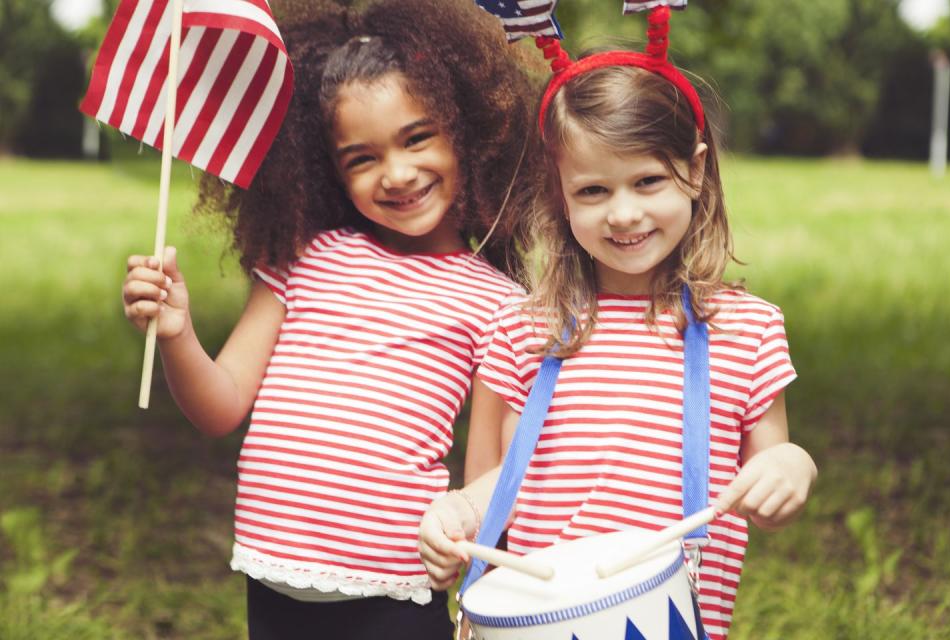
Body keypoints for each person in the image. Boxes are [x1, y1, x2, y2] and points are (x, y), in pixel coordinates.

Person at [121, 1, 536, 638]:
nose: (397, 174)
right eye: (360, 158)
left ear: (466, 130)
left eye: (417, 137)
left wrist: (466, 529)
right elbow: (222, 405)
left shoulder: (496, 300)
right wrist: (177, 334)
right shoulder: (306, 255)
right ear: (329, 171)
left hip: (393, 588)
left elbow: (488, 473)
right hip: (273, 573)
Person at [418, 8, 818, 640]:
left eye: (648, 180)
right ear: (560, 193)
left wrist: (792, 467)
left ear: (696, 168)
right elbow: (497, 486)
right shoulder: (526, 329)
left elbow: (768, 479)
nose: (624, 214)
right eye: (593, 191)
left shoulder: (747, 332)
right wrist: (456, 512)